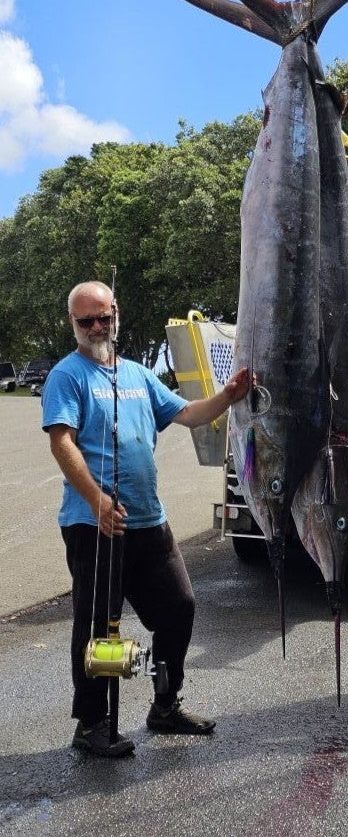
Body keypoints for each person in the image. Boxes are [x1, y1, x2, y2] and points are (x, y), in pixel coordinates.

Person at [43, 281, 252, 757]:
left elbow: (191, 414)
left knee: (178, 607)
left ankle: (165, 705)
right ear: (73, 324)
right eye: (86, 320)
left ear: (116, 314)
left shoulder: (138, 374)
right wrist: (96, 500)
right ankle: (92, 723)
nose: (97, 327)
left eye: (104, 317)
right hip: (92, 523)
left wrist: (229, 395)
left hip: (148, 521)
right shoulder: (67, 376)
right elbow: (62, 442)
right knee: (96, 626)